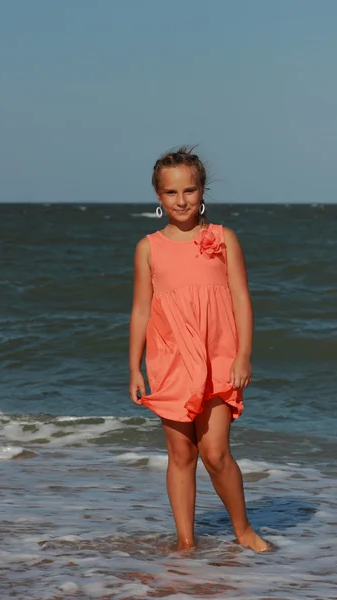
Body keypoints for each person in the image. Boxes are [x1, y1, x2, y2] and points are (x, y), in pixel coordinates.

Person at [129, 146, 272, 553]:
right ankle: (186, 542)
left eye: (189, 190)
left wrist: (244, 354)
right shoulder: (149, 247)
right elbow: (140, 310)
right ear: (159, 197)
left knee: (215, 451)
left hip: (218, 356)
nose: (181, 200)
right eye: (172, 193)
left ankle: (243, 529)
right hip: (170, 358)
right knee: (180, 452)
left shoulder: (222, 239)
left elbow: (242, 299)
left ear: (202, 190)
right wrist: (134, 368)